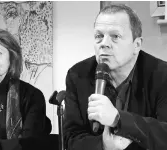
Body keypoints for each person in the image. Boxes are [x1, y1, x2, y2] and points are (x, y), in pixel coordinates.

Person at [64, 4, 167, 150]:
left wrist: (118, 119)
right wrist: (104, 145)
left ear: (136, 45)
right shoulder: (77, 75)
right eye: (99, 36)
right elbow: (71, 139)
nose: (104, 44)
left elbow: (163, 133)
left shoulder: (162, 75)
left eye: (115, 36)